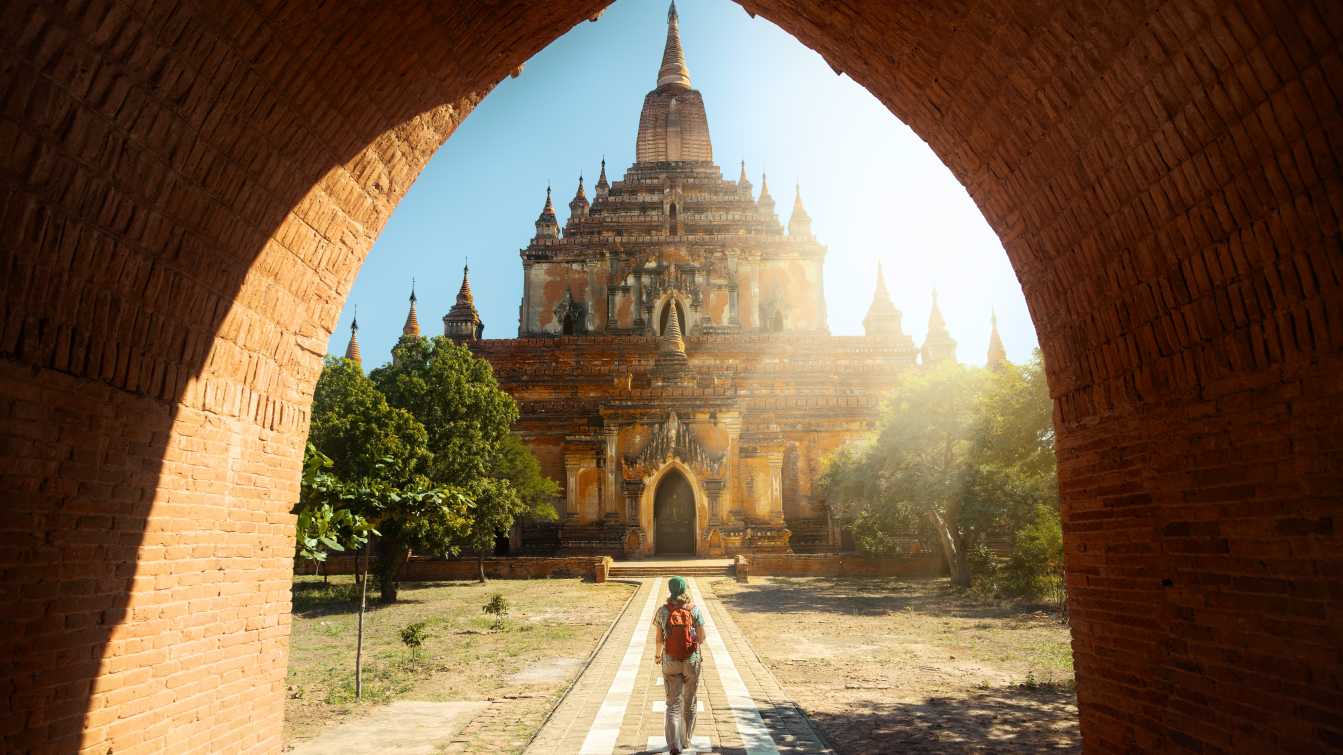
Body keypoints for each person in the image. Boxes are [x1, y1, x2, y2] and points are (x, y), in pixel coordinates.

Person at [653, 576, 706, 754]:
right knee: (689, 701)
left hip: (670, 660)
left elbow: (659, 639)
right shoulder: (694, 609)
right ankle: (686, 740)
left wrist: (657, 655)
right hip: (691, 660)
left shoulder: (662, 611)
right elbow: (702, 637)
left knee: (673, 703)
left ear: (670, 590)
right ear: (684, 589)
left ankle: (674, 745)